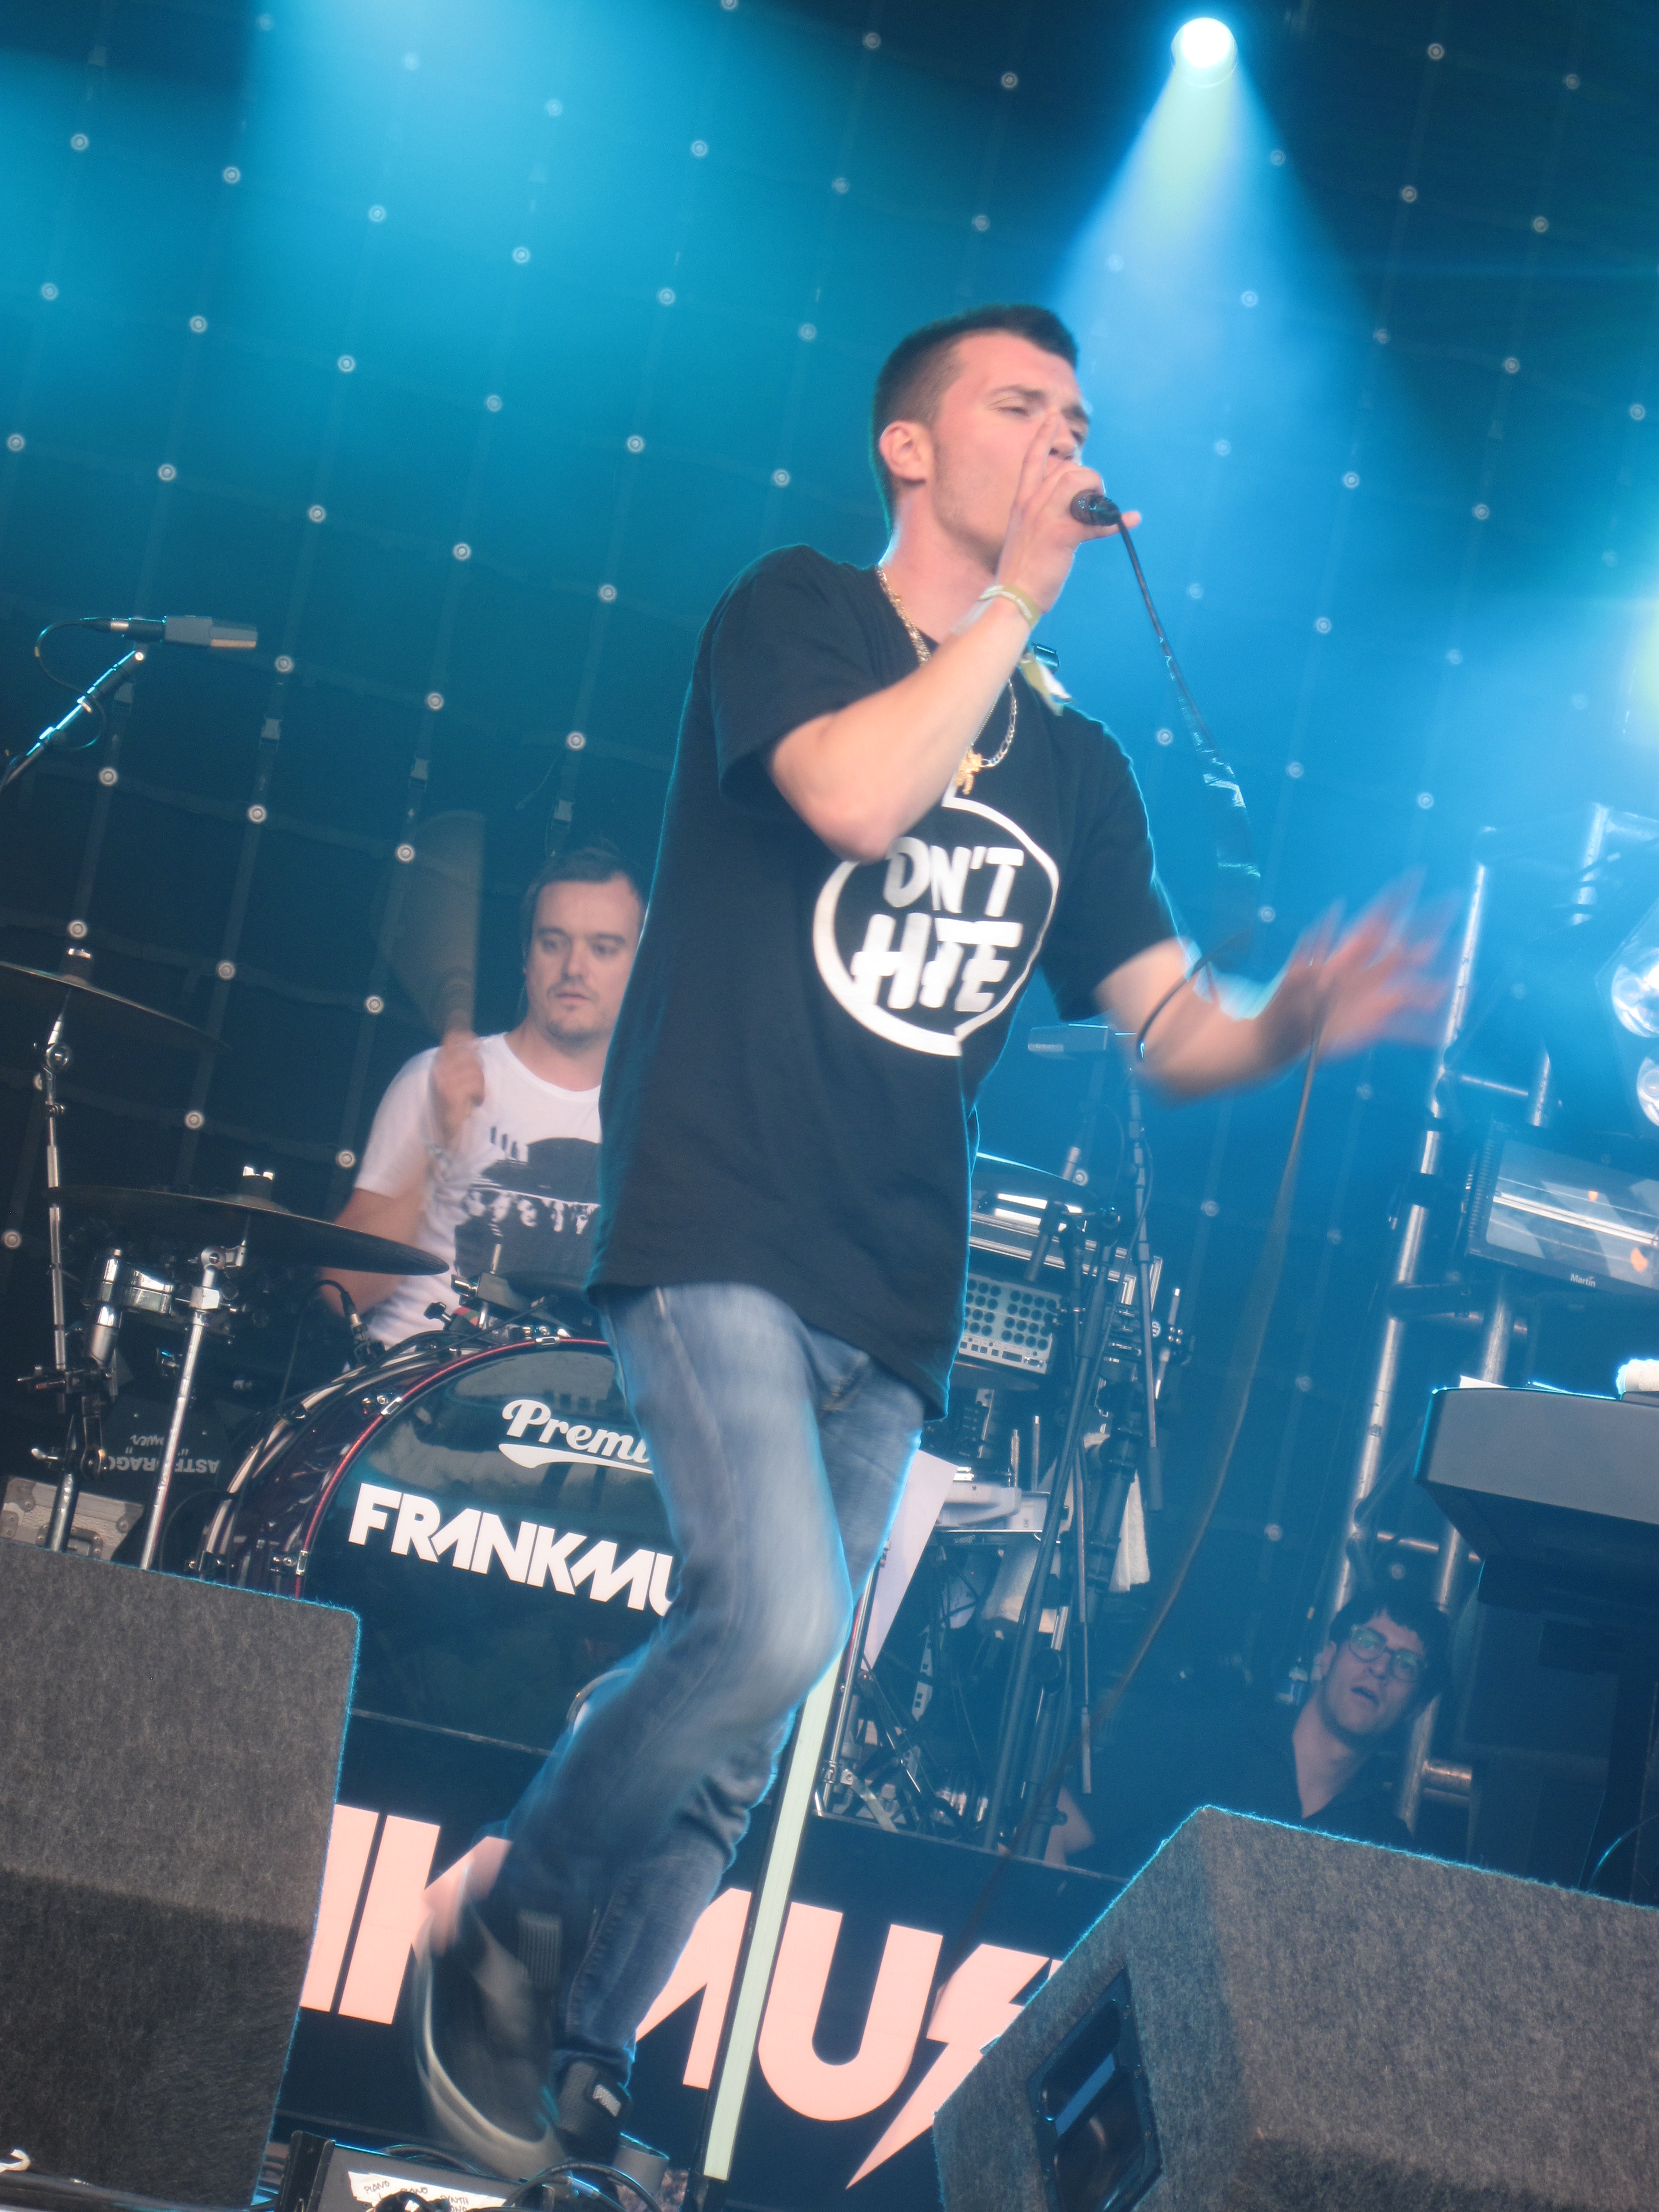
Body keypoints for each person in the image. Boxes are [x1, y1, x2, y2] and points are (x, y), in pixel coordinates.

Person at [413, 302, 1445, 2177]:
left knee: (747, 1723)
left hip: (896, 1286)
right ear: (913, 446)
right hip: (717, 1212)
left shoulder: (1075, 765)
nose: (1063, 440)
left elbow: (1172, 1027)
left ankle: (579, 2068)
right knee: (779, 1613)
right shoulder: (798, 609)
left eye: (1078, 416)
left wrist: (1293, 1016)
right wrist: (1015, 613)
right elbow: (850, 796)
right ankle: (502, 1917)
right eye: (1019, 407)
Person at [327, 847, 644, 1342]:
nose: (574, 969)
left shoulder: (654, 1119)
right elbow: (342, 1291)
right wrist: (436, 1144)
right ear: (526, 956)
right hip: (417, 1390)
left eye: (603, 948)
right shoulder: (439, 1078)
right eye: (553, 943)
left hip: (567, 1409)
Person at [1093, 1590, 1450, 1875]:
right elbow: (1055, 1829)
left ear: (1417, 1708)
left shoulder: (1387, 1849)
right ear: (1327, 1658)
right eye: (1369, 1643)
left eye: (1407, 1665)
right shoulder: (1202, 1742)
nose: (1380, 1668)